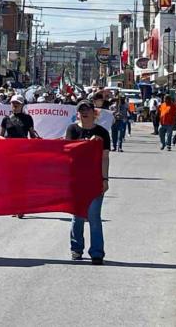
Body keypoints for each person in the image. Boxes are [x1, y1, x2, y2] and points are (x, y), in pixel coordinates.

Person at [65, 99, 111, 265]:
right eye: (81, 109)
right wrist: (86, 144)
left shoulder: (102, 132)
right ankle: (76, 249)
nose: (84, 112)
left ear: (94, 113)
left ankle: (97, 253)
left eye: (87, 109)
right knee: (77, 216)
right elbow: (69, 153)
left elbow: (105, 157)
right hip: (77, 179)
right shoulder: (72, 129)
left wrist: (105, 179)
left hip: (94, 178)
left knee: (94, 217)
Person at [0, 94, 39, 218]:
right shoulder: (6, 119)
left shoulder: (28, 118)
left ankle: (21, 207)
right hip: (10, 153)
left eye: (17, 103)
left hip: (23, 152)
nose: (15, 105)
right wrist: (3, 140)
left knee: (21, 180)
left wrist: (36, 139)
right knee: (11, 180)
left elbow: (32, 134)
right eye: (13, 103)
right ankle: (14, 206)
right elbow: (0, 135)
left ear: (22, 105)